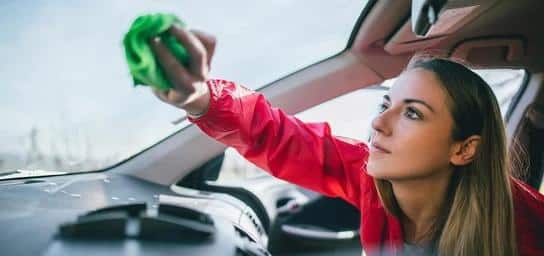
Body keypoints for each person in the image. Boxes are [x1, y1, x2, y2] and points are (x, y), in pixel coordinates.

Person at [148, 25, 544, 256]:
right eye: (387, 103)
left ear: (464, 149)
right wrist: (200, 98)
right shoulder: (370, 179)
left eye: (412, 113)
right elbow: (279, 137)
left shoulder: (528, 225)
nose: (379, 123)